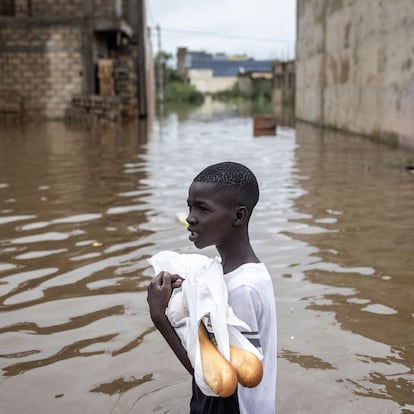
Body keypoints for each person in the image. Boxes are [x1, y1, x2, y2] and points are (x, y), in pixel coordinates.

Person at [147, 161, 277, 414]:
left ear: (238, 216)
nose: (190, 218)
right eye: (189, 206)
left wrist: (159, 316)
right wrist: (192, 296)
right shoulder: (231, 271)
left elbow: (218, 381)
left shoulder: (242, 288)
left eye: (203, 209)